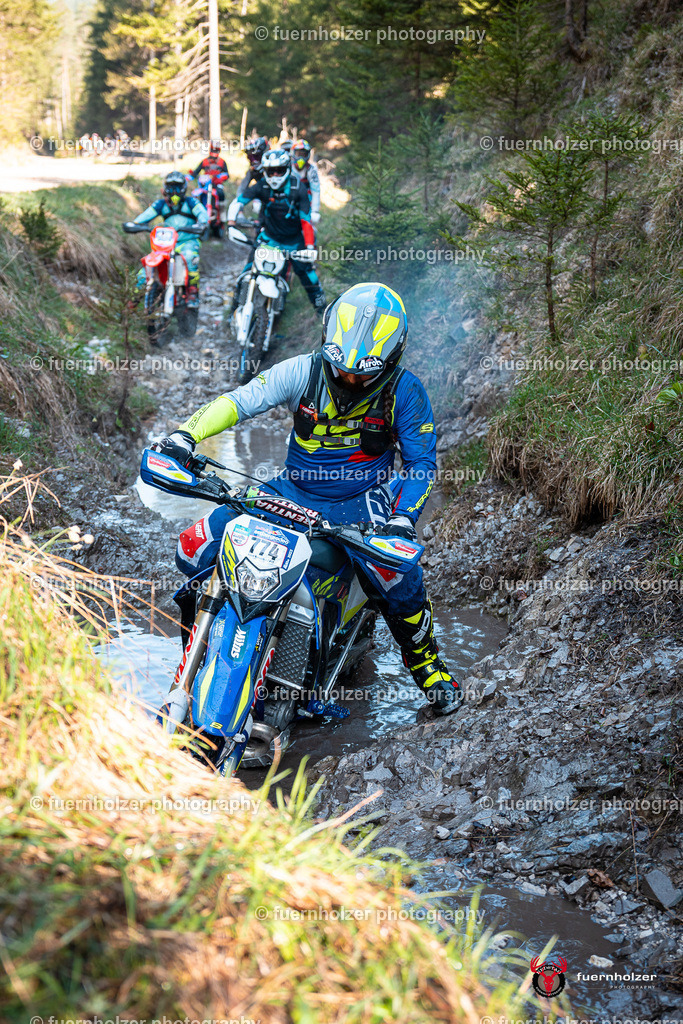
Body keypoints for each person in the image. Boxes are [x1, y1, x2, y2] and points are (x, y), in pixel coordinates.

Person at [153, 282, 462, 716]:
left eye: (362, 374)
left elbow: (420, 466)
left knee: (397, 574)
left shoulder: (406, 393)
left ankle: (429, 668)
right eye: (341, 369)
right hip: (289, 488)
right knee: (197, 545)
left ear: (390, 360)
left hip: (360, 500)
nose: (349, 379)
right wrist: (184, 437)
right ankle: (200, 647)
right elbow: (241, 401)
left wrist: (403, 520)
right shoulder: (304, 369)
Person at [227, 147, 326, 315]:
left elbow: (306, 221)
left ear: (287, 169)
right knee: (248, 271)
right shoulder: (262, 185)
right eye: (270, 171)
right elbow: (239, 201)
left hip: (294, 242)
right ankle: (234, 311)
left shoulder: (298, 188)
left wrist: (309, 247)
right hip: (268, 238)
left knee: (307, 273)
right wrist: (231, 223)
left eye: (279, 171)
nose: (274, 176)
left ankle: (322, 310)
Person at [132, 170, 208, 307]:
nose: (174, 191)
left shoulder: (191, 202)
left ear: (183, 188)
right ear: (165, 188)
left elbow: (203, 214)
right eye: (171, 186)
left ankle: (192, 292)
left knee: (190, 258)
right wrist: (135, 225)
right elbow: (143, 217)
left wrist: (202, 224)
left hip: (187, 241)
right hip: (165, 245)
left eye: (177, 186)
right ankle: (133, 300)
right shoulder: (161, 204)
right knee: (146, 268)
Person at [190, 140, 229, 222]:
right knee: (196, 195)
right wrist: (192, 174)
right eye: (213, 150)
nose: (214, 152)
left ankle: (222, 213)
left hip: (217, 184)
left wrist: (222, 177)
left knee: (221, 193)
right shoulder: (205, 161)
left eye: (216, 150)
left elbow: (227, 174)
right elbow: (196, 171)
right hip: (205, 185)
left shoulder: (222, 162)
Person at [291, 140, 321, 225]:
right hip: (289, 201)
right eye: (298, 154)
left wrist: (315, 211)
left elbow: (316, 190)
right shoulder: (287, 167)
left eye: (303, 154)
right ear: (293, 154)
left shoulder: (311, 169)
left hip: (307, 203)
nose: (300, 158)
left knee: (309, 228)